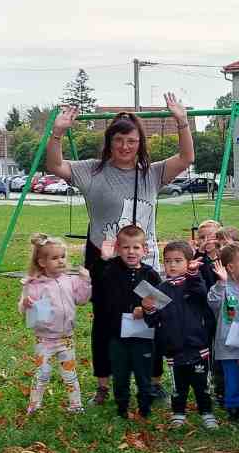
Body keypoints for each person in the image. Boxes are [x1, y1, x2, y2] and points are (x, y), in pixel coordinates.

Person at [45, 94, 194, 404]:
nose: (126, 147)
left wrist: (182, 121)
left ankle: (152, 383)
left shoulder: (152, 173)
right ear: (109, 141)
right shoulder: (92, 172)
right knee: (106, 321)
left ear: (140, 143)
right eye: (119, 140)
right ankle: (103, 385)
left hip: (146, 262)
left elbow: (186, 158)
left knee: (153, 317)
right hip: (105, 262)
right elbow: (54, 164)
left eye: (132, 141)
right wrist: (57, 132)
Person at [17, 233, 93, 416]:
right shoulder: (34, 284)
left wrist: (86, 281)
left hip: (66, 338)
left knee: (70, 373)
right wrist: (25, 304)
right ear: (42, 262)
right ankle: (34, 405)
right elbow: (24, 308)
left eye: (63, 257)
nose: (60, 261)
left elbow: (81, 299)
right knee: (42, 373)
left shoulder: (70, 280)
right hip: (44, 339)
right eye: (54, 258)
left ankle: (76, 405)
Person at [95, 225, 164, 420]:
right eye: (125, 247)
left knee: (144, 375)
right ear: (118, 248)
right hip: (117, 336)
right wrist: (103, 259)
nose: (131, 252)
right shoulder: (110, 268)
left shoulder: (150, 274)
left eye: (136, 247)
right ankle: (122, 409)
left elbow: (160, 306)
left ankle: (144, 409)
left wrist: (146, 310)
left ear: (145, 250)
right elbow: (96, 283)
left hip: (143, 337)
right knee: (120, 375)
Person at [156, 240, 218, 429]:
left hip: (198, 346)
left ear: (188, 262)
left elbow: (200, 292)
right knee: (178, 386)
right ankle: (178, 412)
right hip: (174, 348)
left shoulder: (193, 284)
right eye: (168, 261)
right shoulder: (161, 289)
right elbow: (153, 320)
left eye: (178, 261)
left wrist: (193, 274)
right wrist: (148, 310)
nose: (172, 265)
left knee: (202, 384)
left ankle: (207, 412)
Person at [207, 241, 239, 422]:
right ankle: (233, 407)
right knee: (232, 378)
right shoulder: (221, 288)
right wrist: (221, 283)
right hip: (228, 345)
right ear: (230, 267)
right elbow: (212, 303)